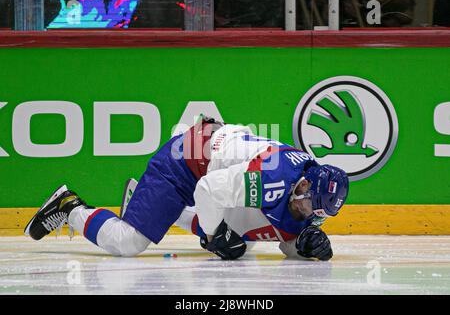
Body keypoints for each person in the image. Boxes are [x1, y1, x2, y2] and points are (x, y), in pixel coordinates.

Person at [24, 116, 349, 261]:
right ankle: (70, 206)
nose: (306, 215)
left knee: (242, 244)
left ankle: (152, 206)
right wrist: (213, 236)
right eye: (307, 208)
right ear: (303, 185)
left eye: (315, 214)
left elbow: (285, 235)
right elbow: (208, 190)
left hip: (214, 153)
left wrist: (306, 247)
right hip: (185, 161)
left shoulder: (307, 186)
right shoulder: (269, 178)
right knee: (129, 244)